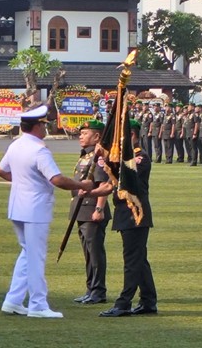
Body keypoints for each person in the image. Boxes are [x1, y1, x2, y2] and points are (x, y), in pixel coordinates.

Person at [0, 105, 94, 319]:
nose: (45, 128)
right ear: (37, 126)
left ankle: (13, 300)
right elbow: (57, 179)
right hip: (34, 208)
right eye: (43, 124)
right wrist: (82, 185)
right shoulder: (39, 149)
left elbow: (1, 170)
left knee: (27, 255)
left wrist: (24, 181)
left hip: (18, 206)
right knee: (36, 258)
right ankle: (38, 305)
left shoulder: (16, 145)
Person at [89, 119, 157, 318]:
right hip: (124, 214)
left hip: (135, 214)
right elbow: (112, 184)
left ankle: (123, 303)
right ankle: (148, 301)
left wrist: (108, 158)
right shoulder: (124, 158)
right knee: (139, 260)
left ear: (132, 136)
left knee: (132, 261)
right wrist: (89, 193)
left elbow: (127, 177)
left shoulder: (140, 157)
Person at [71, 120, 111, 304]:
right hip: (81, 209)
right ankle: (90, 288)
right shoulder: (86, 156)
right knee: (88, 253)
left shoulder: (99, 157)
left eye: (85, 133)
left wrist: (99, 208)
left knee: (95, 253)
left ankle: (98, 291)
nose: (81, 136)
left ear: (96, 136)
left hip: (92, 209)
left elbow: (104, 184)